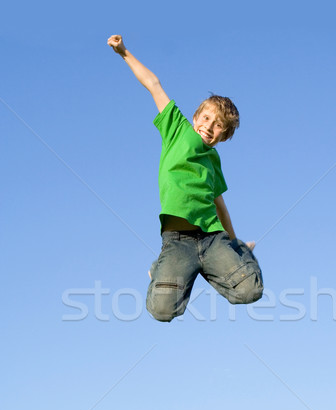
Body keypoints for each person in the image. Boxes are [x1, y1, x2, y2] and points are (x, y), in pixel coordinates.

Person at [107, 35, 263, 322]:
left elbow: (220, 204)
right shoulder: (177, 130)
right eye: (206, 119)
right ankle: (163, 269)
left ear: (224, 136)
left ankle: (237, 254)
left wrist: (234, 242)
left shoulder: (213, 160)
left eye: (218, 126)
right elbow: (154, 84)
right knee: (162, 311)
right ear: (195, 117)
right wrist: (124, 52)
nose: (209, 127)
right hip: (178, 240)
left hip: (213, 239)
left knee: (250, 291)